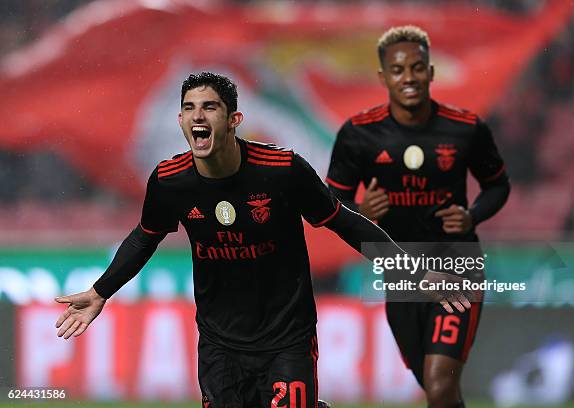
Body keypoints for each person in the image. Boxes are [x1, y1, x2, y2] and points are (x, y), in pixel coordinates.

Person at [54, 72, 470, 408]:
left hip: (286, 338)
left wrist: (408, 270)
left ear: (234, 119)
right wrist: (100, 291)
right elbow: (144, 238)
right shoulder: (170, 181)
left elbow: (343, 221)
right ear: (180, 121)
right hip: (219, 343)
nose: (198, 116)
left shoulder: (282, 169)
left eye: (210, 107)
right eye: (189, 108)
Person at [326, 26, 511, 408]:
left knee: (440, 385)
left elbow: (498, 185)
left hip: (457, 266)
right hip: (402, 275)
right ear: (383, 77)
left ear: (431, 72)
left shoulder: (465, 129)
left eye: (417, 67)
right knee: (437, 392)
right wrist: (361, 210)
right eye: (398, 70)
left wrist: (472, 216)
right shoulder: (358, 135)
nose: (408, 77)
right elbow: (331, 205)